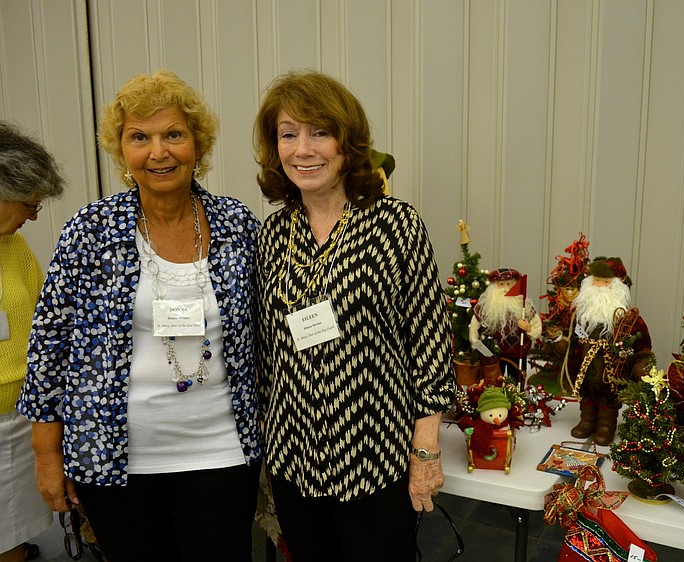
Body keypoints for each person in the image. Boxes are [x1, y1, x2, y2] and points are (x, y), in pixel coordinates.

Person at [16, 70, 262, 562]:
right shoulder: (91, 229)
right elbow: (48, 346)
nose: (159, 151)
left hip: (221, 447)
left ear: (198, 143)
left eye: (173, 134)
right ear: (122, 151)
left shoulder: (238, 224)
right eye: (140, 138)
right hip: (114, 456)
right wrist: (47, 455)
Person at [254, 70, 456, 561]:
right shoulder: (271, 234)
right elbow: (265, 351)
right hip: (294, 459)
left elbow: (429, 345)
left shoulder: (396, 226)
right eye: (288, 134)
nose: (303, 149)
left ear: (348, 142)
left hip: (375, 457)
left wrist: (425, 452)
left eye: (320, 132)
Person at [0, 122, 65, 562]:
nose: (33, 216)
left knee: (12, 527)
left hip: (17, 421)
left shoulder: (15, 248)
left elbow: (47, 327)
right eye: (29, 203)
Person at [565, 258, 653, 446]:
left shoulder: (628, 319)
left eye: (606, 282)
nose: (600, 287)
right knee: (586, 397)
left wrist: (641, 362)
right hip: (586, 369)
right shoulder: (581, 315)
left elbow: (642, 343)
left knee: (608, 400)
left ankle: (606, 426)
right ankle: (587, 421)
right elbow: (572, 339)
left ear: (617, 286)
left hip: (612, 368)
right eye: (597, 281)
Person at [469, 268, 542, 380]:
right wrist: (477, 344)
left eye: (509, 283)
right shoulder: (485, 307)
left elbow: (536, 327)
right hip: (495, 355)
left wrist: (529, 329)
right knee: (496, 381)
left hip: (519, 353)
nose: (505, 288)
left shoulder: (524, 306)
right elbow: (474, 327)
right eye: (501, 284)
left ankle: (518, 396)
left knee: (517, 380)